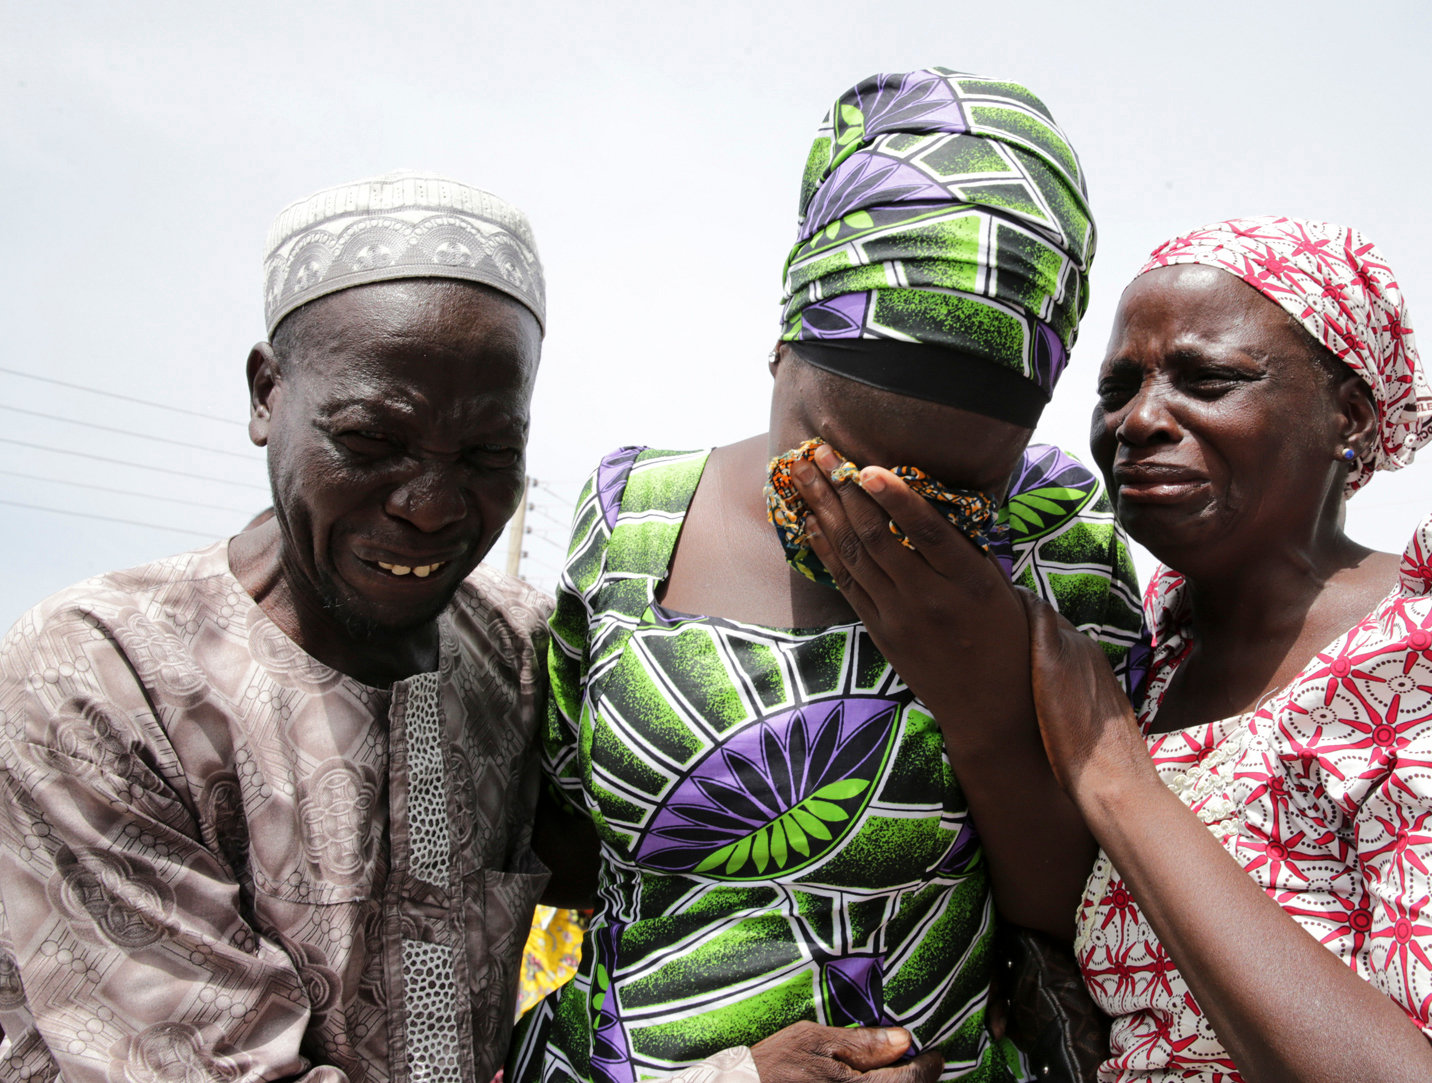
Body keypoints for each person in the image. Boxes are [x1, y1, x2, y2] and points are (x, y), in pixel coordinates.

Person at [788, 216, 1432, 1081]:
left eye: (1210, 378)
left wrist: (1117, 778)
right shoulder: (1150, 660)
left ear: (1353, 417)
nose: (1140, 420)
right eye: (1116, 387)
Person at [510, 68, 1142, 1083]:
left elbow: (1093, 910)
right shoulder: (636, 515)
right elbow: (566, 848)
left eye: (949, 493)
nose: (870, 513)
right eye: (827, 467)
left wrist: (978, 697)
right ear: (781, 346)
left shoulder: (1058, 537)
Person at [0, 170, 556, 1083]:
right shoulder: (100, 677)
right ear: (267, 394)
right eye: (372, 441)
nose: (428, 505)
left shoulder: (521, 659)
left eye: (489, 454)